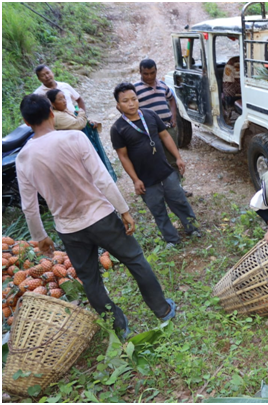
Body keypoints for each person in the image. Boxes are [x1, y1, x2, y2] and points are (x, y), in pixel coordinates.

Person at [16, 94, 175, 338]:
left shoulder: (24, 158)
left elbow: (30, 206)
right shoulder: (74, 137)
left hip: (69, 229)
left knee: (91, 280)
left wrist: (40, 236)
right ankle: (162, 310)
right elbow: (102, 178)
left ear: (26, 123)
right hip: (101, 217)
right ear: (51, 113)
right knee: (135, 260)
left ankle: (119, 329)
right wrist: (124, 210)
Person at [110, 82, 200, 248]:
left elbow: (165, 136)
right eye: (125, 101)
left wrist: (178, 157)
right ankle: (172, 239)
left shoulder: (150, 115)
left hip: (165, 171)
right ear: (118, 105)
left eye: (133, 99)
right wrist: (136, 180)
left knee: (179, 200)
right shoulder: (118, 128)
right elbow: (123, 157)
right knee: (158, 210)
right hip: (145, 178)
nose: (131, 103)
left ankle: (192, 228)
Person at [134, 59, 192, 197]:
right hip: (148, 131)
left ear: (156, 71)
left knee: (173, 159)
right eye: (145, 73)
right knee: (151, 160)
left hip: (167, 128)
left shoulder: (162, 85)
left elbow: (172, 98)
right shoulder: (135, 88)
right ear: (140, 72)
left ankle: (177, 189)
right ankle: (156, 191)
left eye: (152, 73)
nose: (149, 76)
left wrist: (173, 115)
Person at [47, 89, 117, 182]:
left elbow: (78, 121)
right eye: (60, 99)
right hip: (75, 152)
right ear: (53, 104)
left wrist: (88, 122)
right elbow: (78, 124)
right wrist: (82, 113)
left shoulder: (65, 111)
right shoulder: (57, 116)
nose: (64, 101)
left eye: (64, 97)